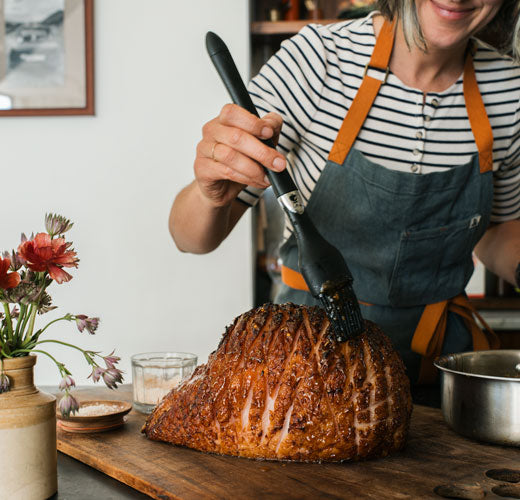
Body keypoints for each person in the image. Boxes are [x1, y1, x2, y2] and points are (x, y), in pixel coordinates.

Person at [169, 0, 520, 401]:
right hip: (307, 373)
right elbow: (190, 237)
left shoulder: (509, 90)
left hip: (438, 374)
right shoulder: (317, 62)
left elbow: (496, 230)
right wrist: (208, 192)